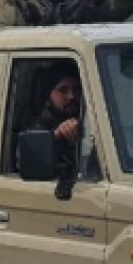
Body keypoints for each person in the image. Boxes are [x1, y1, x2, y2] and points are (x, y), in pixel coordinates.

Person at [20, 62, 82, 197]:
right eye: (63, 90)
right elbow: (28, 162)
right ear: (48, 96)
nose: (71, 96)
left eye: (76, 89)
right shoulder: (36, 131)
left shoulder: (93, 123)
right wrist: (56, 137)